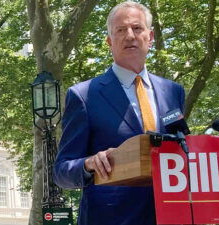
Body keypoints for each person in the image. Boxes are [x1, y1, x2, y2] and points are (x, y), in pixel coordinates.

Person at [53, 1, 185, 225]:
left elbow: (182, 147)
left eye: (137, 28)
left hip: (170, 214)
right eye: (120, 30)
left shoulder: (173, 91)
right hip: (110, 218)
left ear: (150, 37)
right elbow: (61, 171)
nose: (130, 35)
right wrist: (89, 164)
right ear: (109, 41)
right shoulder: (84, 95)